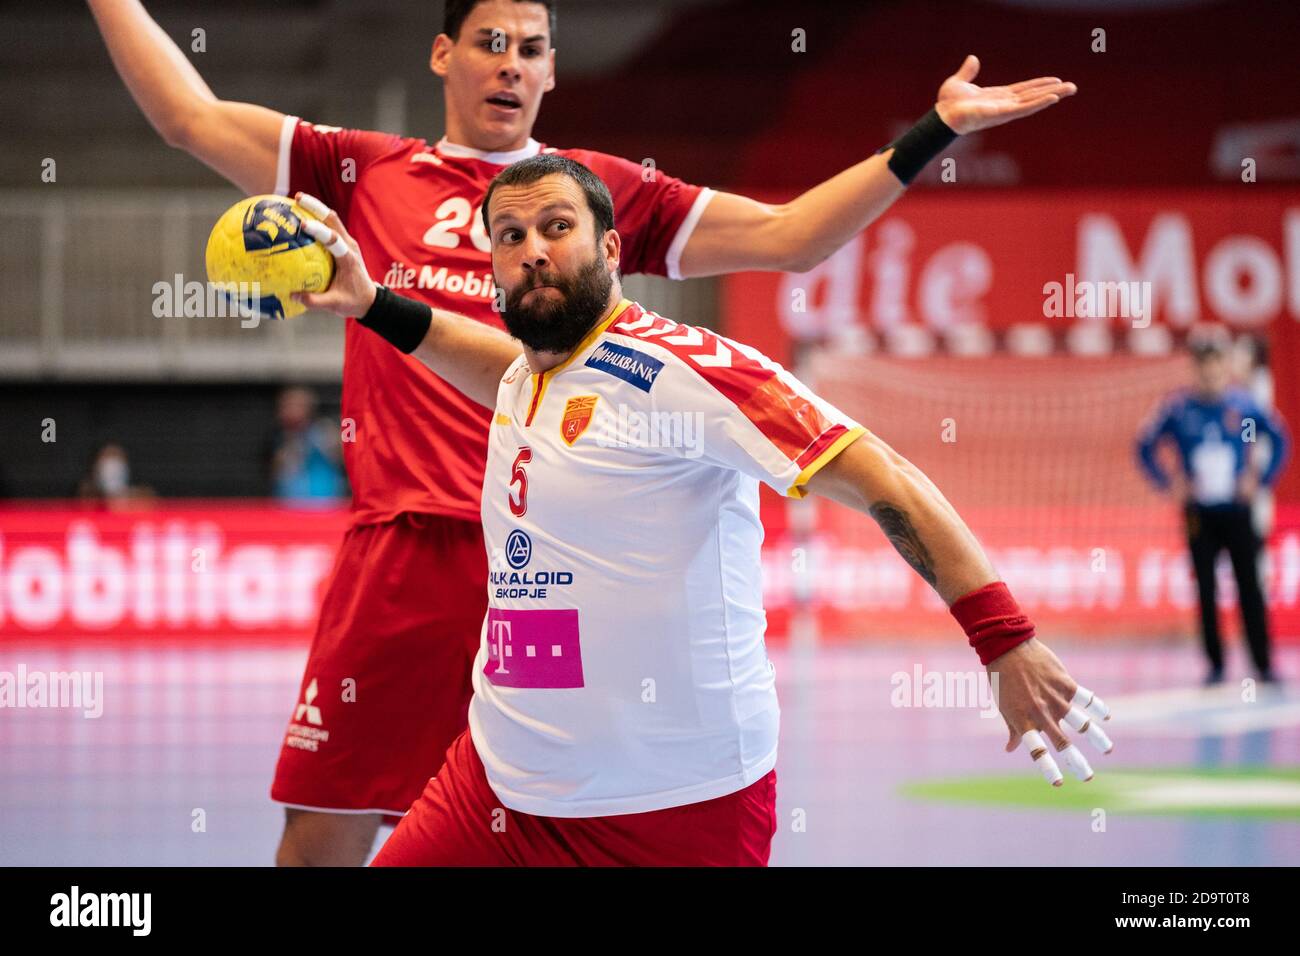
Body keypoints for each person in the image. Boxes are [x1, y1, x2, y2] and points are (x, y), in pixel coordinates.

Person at [87, 0, 1077, 864]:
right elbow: (187, 116)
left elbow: (793, 237)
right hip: (404, 554)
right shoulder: (365, 167)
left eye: (531, 46)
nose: (510, 61)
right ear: (443, 55)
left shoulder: (596, 194)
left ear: (553, 70)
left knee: (565, 801)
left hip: (557, 570)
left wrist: (932, 131)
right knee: (323, 838)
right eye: (489, 41)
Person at [292, 155, 1112, 866]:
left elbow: (881, 474)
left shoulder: (681, 372)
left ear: (611, 248)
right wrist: (373, 303)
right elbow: (502, 364)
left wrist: (1003, 639)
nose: (533, 252)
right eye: (510, 237)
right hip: (502, 784)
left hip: (675, 807)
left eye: (555, 227)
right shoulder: (532, 372)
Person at [1137, 331, 1290, 686]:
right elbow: (1145, 447)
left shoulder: (1243, 411)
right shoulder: (1179, 411)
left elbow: (1274, 439)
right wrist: (1169, 482)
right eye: (1202, 367)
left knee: (1249, 585)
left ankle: (1263, 663)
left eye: (1215, 365)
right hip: (1199, 515)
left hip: (1236, 512)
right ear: (1194, 369)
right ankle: (1216, 664)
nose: (1209, 374)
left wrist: (1259, 478)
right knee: (1206, 588)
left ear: (1225, 367)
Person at [265, 386, 348, 504]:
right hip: (288, 503)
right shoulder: (277, 436)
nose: (291, 410)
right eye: (286, 405)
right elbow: (273, 471)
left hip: (326, 502)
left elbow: (345, 461)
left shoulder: (325, 430)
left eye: (297, 405)